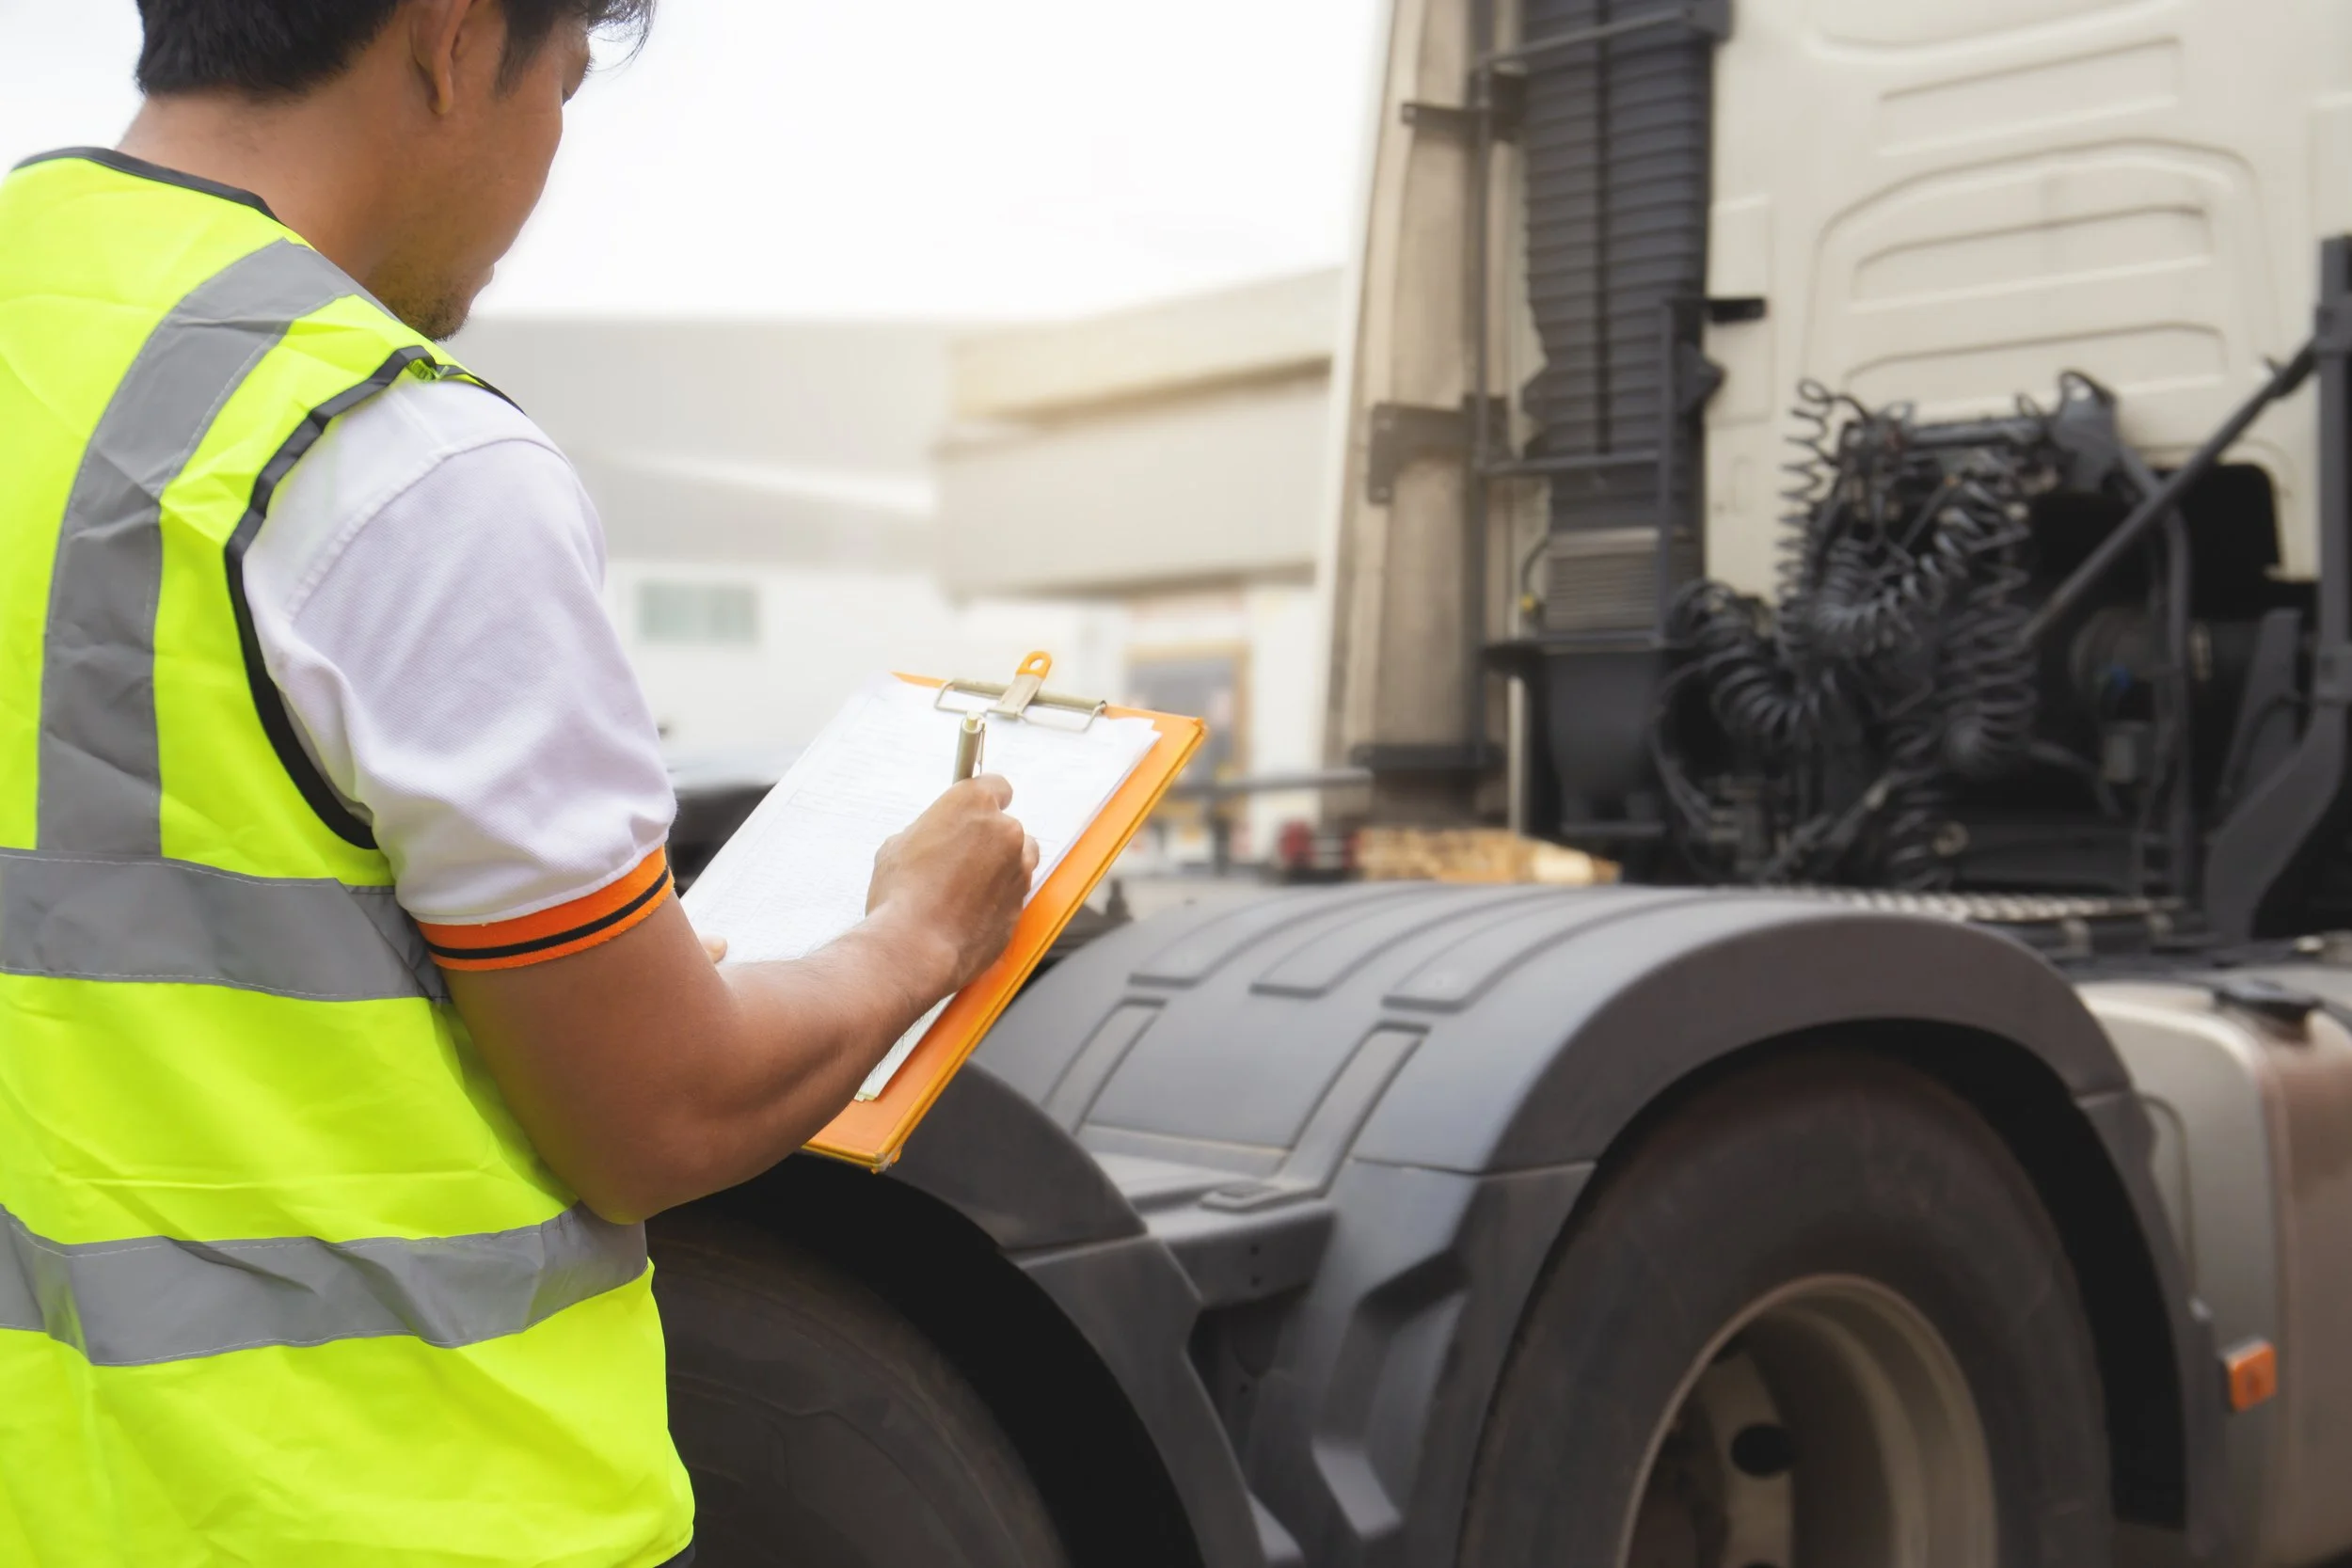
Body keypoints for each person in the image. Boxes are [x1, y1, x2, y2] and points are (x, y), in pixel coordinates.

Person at [0, 2, 1037, 1564]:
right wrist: (916, 933)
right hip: (380, 1516)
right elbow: (660, 1111)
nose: (550, 150)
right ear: (454, 41)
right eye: (563, 81)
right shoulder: (382, 459)